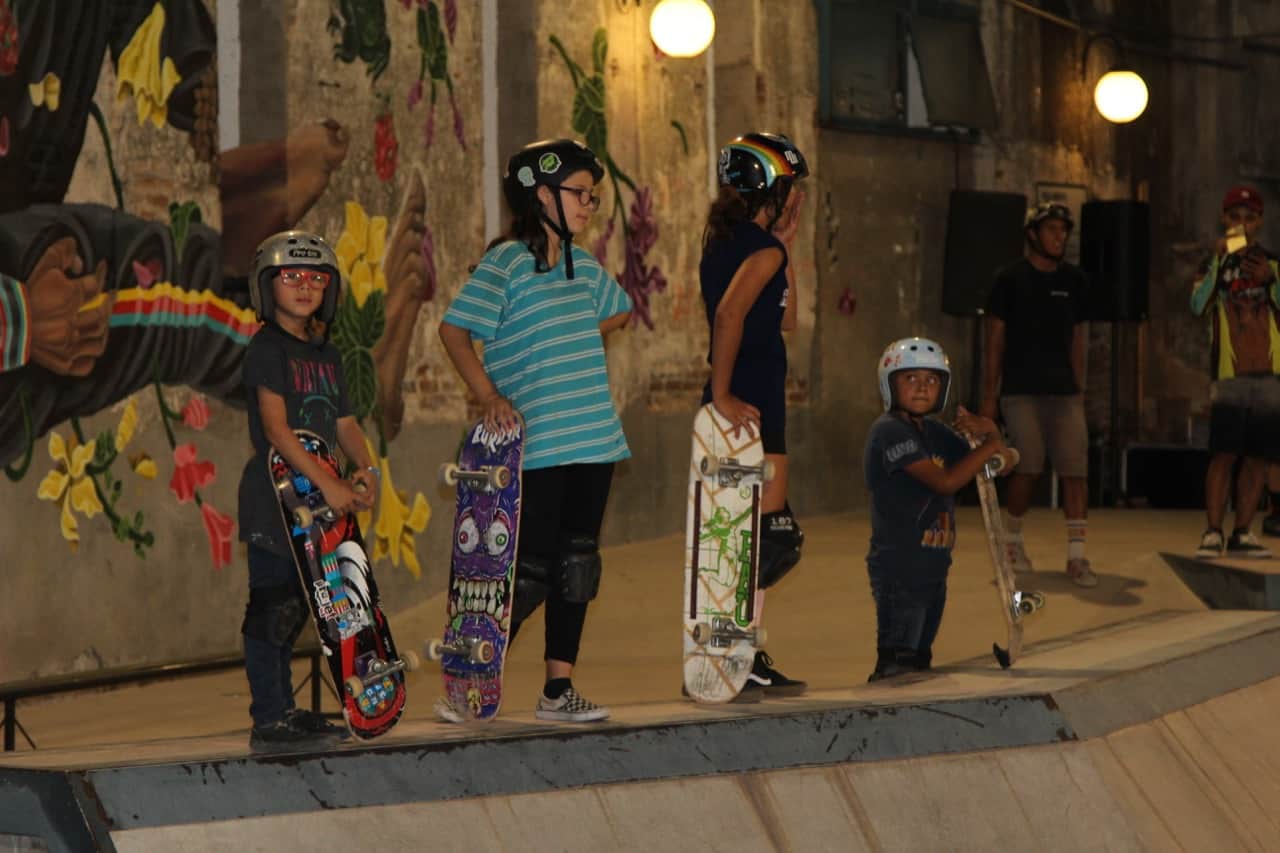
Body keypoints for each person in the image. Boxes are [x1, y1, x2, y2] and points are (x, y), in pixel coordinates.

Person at [439, 139, 632, 723]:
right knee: (525, 574)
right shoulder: (506, 263)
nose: (589, 204)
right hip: (539, 445)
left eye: (592, 195)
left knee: (577, 567)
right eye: (580, 193)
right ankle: (466, 679)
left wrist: (574, 346)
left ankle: (557, 691)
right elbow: (454, 331)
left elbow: (618, 310)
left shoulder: (586, 265)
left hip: (594, 440)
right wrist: (490, 395)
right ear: (542, 195)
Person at [237, 231, 378, 751]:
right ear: (266, 285)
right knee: (271, 607)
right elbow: (277, 429)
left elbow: (344, 422)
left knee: (304, 606)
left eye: (316, 279)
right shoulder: (266, 349)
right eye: (291, 277)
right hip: (275, 500)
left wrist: (365, 470)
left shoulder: (326, 353)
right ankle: (268, 717)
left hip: (319, 503)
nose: (304, 287)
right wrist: (331, 484)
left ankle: (288, 710)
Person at [698, 131, 810, 700]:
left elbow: (785, 322)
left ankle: (739, 651)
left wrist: (787, 244)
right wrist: (721, 394)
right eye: (792, 188)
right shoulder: (761, 251)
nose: (797, 198)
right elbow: (728, 316)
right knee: (768, 538)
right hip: (748, 401)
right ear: (772, 187)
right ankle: (739, 652)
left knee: (742, 538)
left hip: (747, 396)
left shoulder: (733, 242)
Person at [865, 338, 1013, 681]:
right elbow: (946, 482)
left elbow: (992, 466)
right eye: (910, 378)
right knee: (897, 662)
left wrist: (990, 431)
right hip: (900, 568)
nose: (922, 387)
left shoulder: (932, 431)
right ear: (890, 383)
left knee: (918, 661)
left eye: (932, 380)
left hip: (933, 565)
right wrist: (991, 445)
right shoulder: (889, 431)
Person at [980, 201, 1095, 587]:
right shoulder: (1009, 279)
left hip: (1064, 393)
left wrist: (1080, 387)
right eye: (1052, 229)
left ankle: (1077, 558)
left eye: (1064, 231)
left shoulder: (1075, 281)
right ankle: (1012, 540)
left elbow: (1080, 337)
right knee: (1026, 465)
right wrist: (989, 395)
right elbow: (995, 338)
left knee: (1075, 470)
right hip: (1020, 391)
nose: (1060, 237)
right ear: (1033, 234)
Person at [1190, 185, 1280, 558]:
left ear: (1258, 222)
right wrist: (1217, 264)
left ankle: (1243, 531)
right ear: (1225, 220)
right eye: (1235, 216)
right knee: (1224, 454)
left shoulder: (1273, 264)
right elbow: (1197, 306)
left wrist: (1270, 282)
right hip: (1229, 376)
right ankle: (1213, 530)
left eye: (1249, 217)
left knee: (1258, 457)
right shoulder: (1211, 263)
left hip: (1269, 376)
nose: (1242, 223)